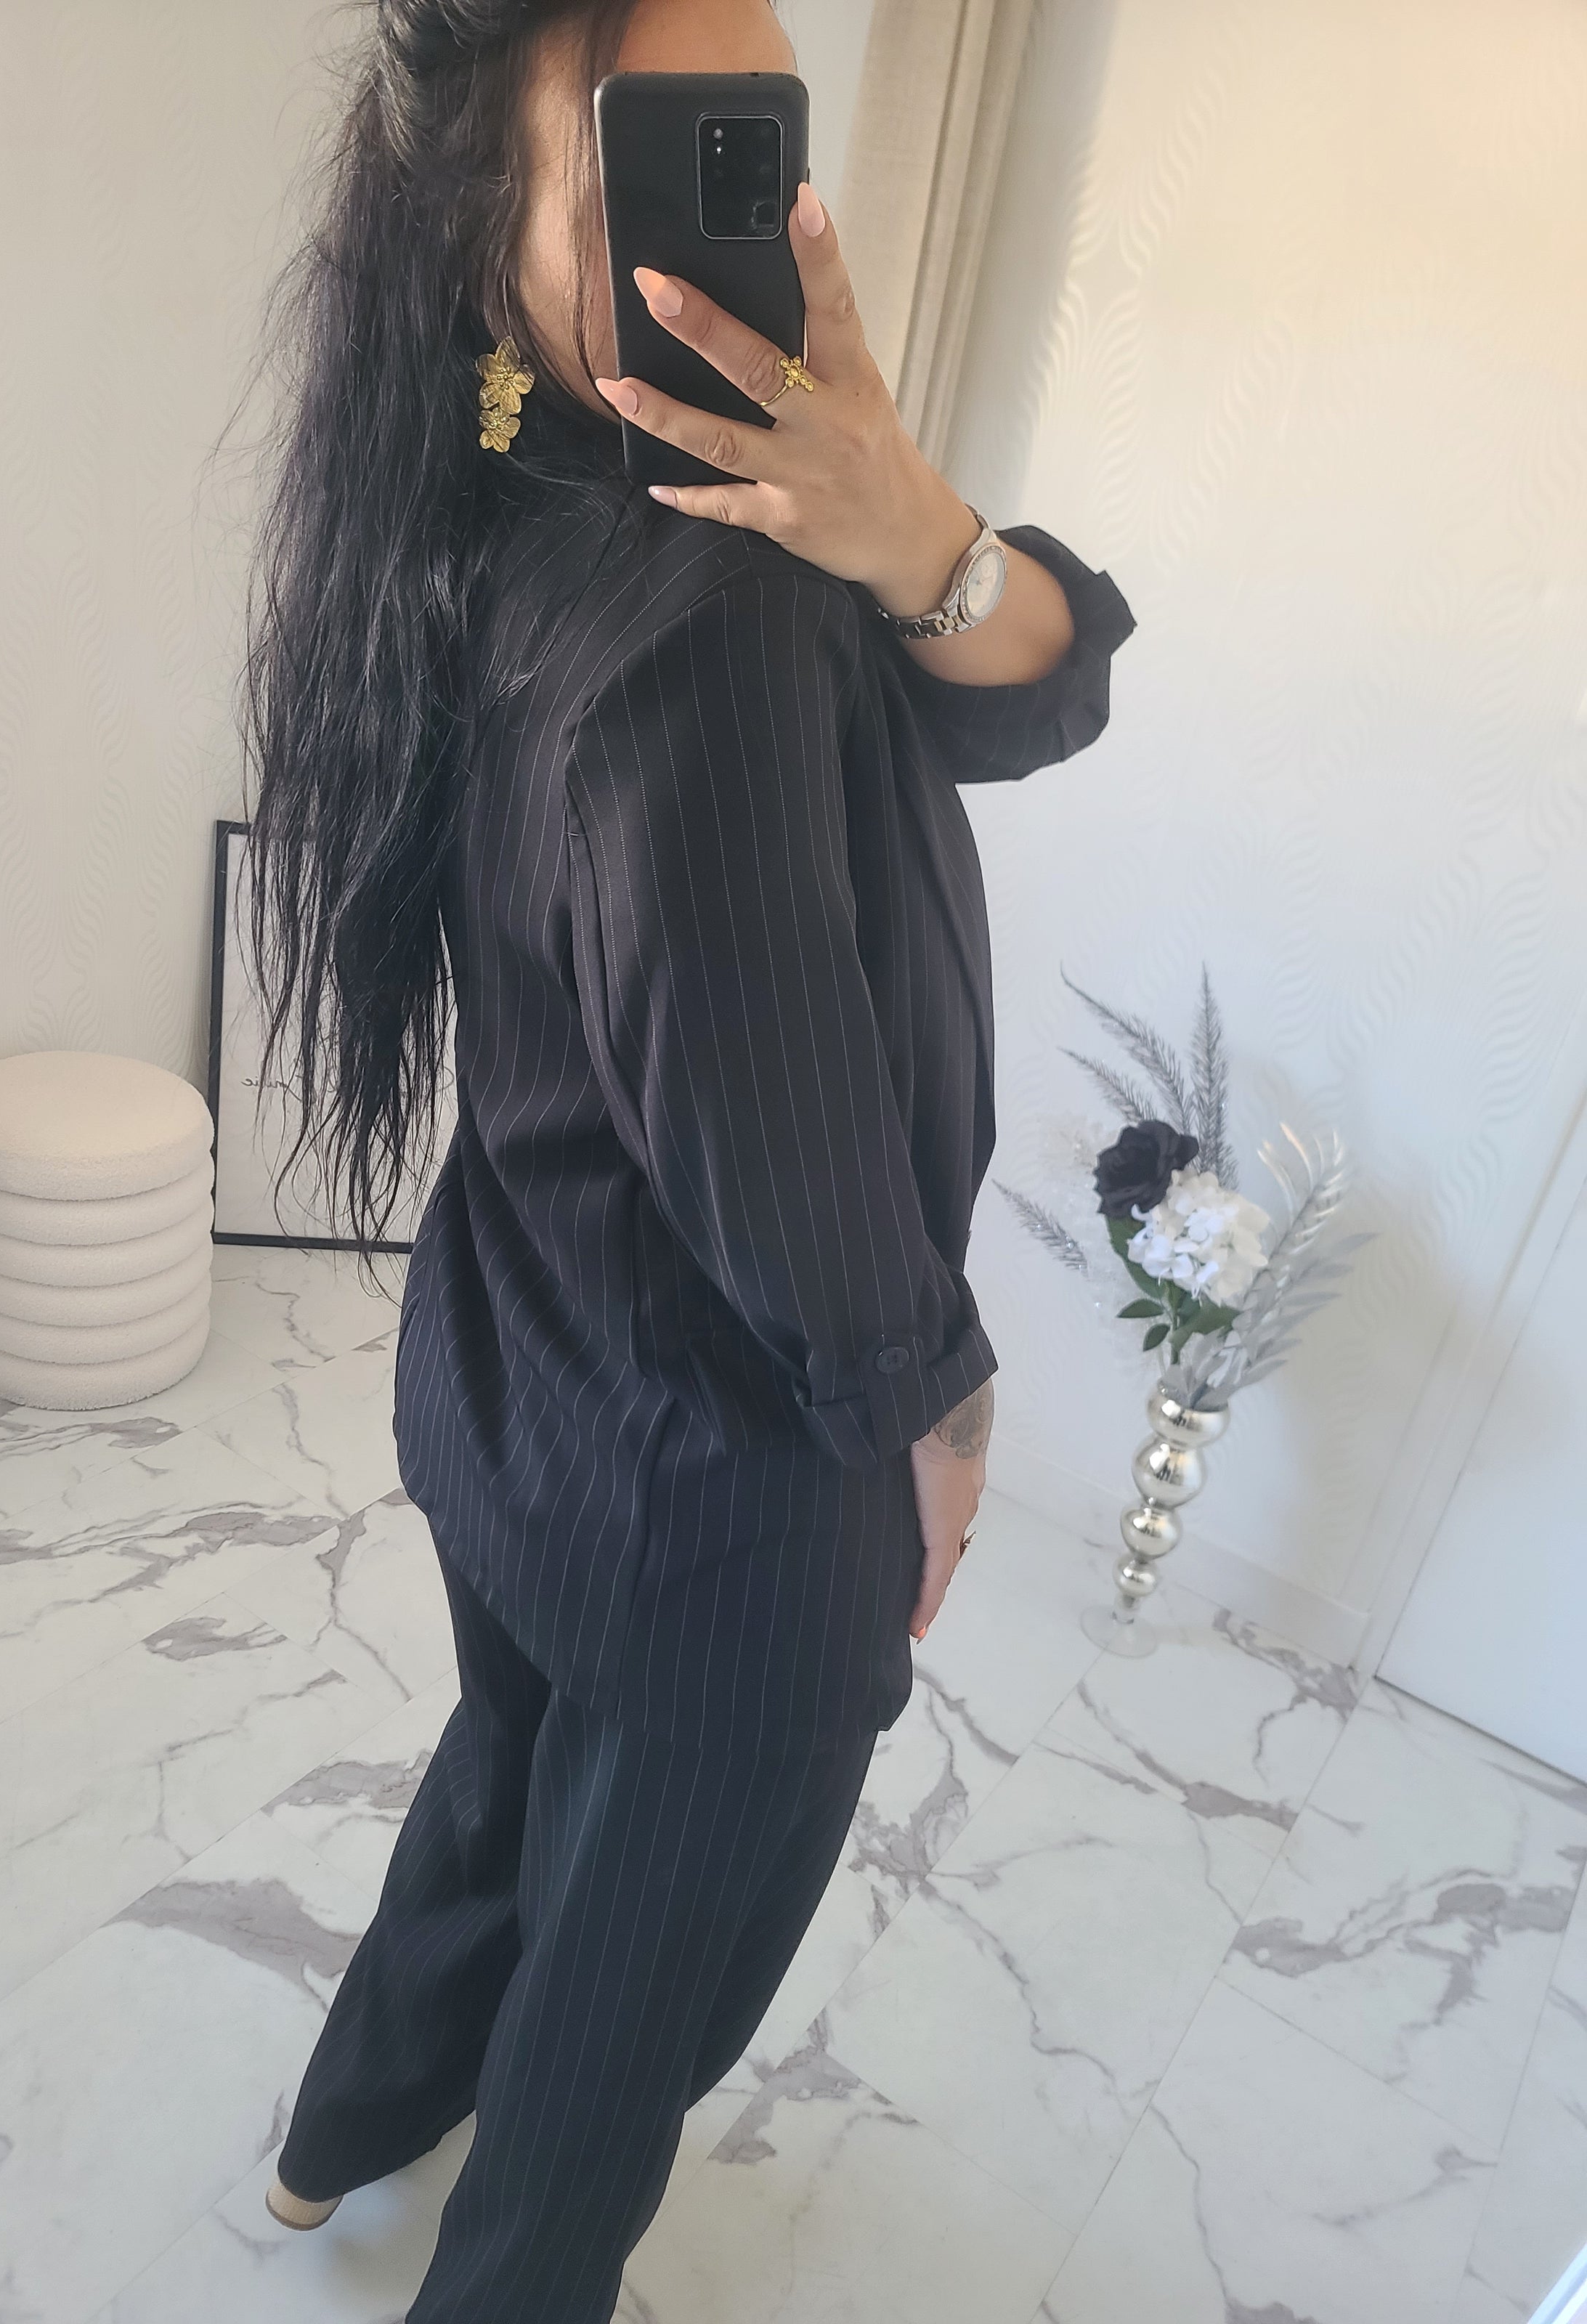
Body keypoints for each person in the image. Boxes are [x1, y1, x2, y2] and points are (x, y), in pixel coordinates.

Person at [240, 0, 1135, 2315]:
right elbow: (770, 1127)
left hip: (513, 1381)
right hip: (719, 1485)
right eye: (666, 146)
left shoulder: (496, 490)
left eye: (764, 134)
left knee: (504, 1779)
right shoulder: (705, 603)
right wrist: (932, 1407)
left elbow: (1049, 681)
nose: (751, 207)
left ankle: (332, 2144)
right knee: (625, 2004)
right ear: (497, 220)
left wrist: (912, 525)